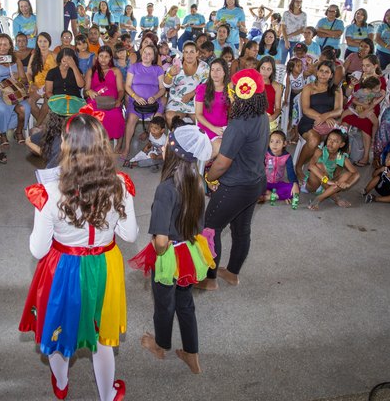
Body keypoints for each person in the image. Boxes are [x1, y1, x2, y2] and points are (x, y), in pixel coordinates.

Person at [19, 113, 137, 401]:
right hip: (104, 266)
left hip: (63, 268)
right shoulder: (119, 184)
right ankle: (108, 394)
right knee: (101, 339)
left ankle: (61, 383)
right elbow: (130, 234)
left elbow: (37, 249)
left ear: (65, 145)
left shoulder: (49, 193)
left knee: (59, 332)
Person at [131, 124, 213, 375]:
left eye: (168, 143)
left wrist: (157, 252)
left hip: (169, 254)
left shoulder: (165, 188)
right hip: (190, 251)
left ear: (174, 151)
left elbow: (162, 240)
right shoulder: (198, 181)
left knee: (164, 303)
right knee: (185, 302)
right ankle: (192, 352)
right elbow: (199, 224)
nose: (164, 145)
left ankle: (160, 344)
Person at [198, 69, 269, 290]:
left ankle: (209, 280)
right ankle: (232, 273)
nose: (228, 92)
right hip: (255, 182)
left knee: (209, 228)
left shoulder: (239, 123)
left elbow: (222, 163)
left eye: (231, 89)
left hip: (235, 186)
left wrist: (208, 178)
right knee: (241, 229)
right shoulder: (262, 116)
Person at [295, 61, 344, 181]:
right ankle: (298, 166)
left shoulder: (336, 89)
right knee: (313, 140)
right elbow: (306, 109)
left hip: (328, 122)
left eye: (327, 72)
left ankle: (334, 171)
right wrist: (321, 117)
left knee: (341, 140)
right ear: (317, 72)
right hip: (309, 121)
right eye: (321, 71)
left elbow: (339, 110)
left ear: (331, 75)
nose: (323, 74)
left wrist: (326, 116)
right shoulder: (309, 87)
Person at [121, 44, 166, 158]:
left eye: (149, 54)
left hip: (153, 103)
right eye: (145, 52)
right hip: (136, 102)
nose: (146, 55)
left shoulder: (158, 69)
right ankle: (126, 147)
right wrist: (135, 96)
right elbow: (127, 86)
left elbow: (162, 88)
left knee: (159, 120)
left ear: (153, 57)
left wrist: (155, 97)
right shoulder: (134, 67)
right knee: (131, 119)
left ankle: (159, 147)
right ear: (141, 53)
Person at [341, 55, 385, 167]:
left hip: (371, 108)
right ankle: (343, 149)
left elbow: (378, 100)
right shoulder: (359, 75)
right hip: (356, 104)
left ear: (375, 66)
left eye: (368, 66)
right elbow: (348, 94)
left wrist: (366, 111)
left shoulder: (380, 80)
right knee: (345, 121)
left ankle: (366, 155)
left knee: (366, 125)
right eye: (363, 65)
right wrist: (351, 85)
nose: (364, 68)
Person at [0, 33, 29, 145]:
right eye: (0, 45)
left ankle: (18, 131)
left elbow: (24, 80)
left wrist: (17, 77)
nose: (2, 47)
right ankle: (2, 133)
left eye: (5, 45)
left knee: (25, 108)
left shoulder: (15, 59)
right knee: (2, 109)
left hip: (13, 91)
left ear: (10, 46)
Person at [305, 129, 361, 210]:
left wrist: (348, 183)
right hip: (314, 185)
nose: (330, 143)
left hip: (329, 184)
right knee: (319, 165)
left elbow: (356, 173)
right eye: (329, 139)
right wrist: (326, 180)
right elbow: (311, 166)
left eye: (335, 141)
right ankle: (335, 197)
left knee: (348, 174)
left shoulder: (341, 156)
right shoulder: (320, 151)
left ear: (341, 145)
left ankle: (319, 198)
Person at [25, 95, 83, 169]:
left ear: (53, 117)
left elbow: (28, 140)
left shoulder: (51, 132)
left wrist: (46, 154)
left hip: (53, 173)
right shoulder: (83, 134)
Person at [85, 45, 125, 149]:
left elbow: (121, 90)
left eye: (106, 56)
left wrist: (119, 100)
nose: (103, 59)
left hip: (112, 102)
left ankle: (119, 140)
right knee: (91, 114)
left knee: (116, 115)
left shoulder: (116, 71)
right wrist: (89, 91)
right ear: (97, 57)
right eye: (101, 56)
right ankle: (95, 142)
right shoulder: (91, 71)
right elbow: (85, 91)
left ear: (111, 58)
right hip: (95, 101)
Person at [164, 42, 208, 126]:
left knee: (202, 124)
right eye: (186, 52)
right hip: (177, 100)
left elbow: (206, 85)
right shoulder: (176, 65)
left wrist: (191, 94)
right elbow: (166, 85)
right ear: (183, 53)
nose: (189, 55)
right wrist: (170, 74)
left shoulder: (204, 67)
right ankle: (175, 138)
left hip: (196, 101)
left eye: (192, 52)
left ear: (197, 53)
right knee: (170, 117)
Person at [195, 58, 230, 159]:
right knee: (219, 146)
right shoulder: (203, 88)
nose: (215, 73)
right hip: (207, 127)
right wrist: (214, 129)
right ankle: (197, 170)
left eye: (218, 70)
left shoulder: (230, 89)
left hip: (225, 128)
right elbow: (198, 114)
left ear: (224, 72)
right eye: (212, 69)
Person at [263, 130, 300, 207]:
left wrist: (295, 184)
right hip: (264, 182)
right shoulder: (265, 154)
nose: (274, 144)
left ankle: (270, 196)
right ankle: (278, 195)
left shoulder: (287, 156)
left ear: (284, 144)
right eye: (271, 141)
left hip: (278, 183)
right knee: (251, 189)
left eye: (278, 142)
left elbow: (291, 173)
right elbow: (258, 169)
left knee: (295, 190)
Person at [26, 32, 56, 124]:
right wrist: (31, 84)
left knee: (47, 101)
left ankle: (38, 125)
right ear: (37, 43)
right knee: (29, 101)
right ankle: (44, 125)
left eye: (45, 41)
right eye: (40, 41)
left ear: (49, 42)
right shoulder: (34, 56)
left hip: (51, 85)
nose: (42, 44)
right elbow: (29, 73)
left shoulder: (54, 55)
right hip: (37, 86)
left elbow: (60, 72)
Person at [279, 0, 307, 64]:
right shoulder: (286, 13)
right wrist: (286, 40)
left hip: (296, 41)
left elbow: (302, 29)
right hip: (284, 40)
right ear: (293, 2)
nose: (299, 3)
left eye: (300, 1)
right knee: (281, 62)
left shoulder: (304, 15)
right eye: (297, 1)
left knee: (294, 63)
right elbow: (283, 27)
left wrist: (289, 36)